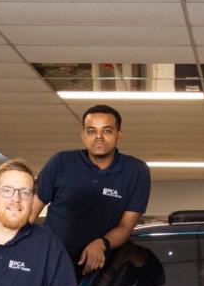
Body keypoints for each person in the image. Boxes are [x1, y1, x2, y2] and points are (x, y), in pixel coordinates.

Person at [35, 104, 150, 273]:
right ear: (83, 136)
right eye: (91, 131)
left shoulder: (136, 171)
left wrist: (102, 243)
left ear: (119, 135)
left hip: (98, 270)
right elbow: (29, 214)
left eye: (107, 131)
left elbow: (126, 227)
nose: (98, 137)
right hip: (51, 264)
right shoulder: (61, 162)